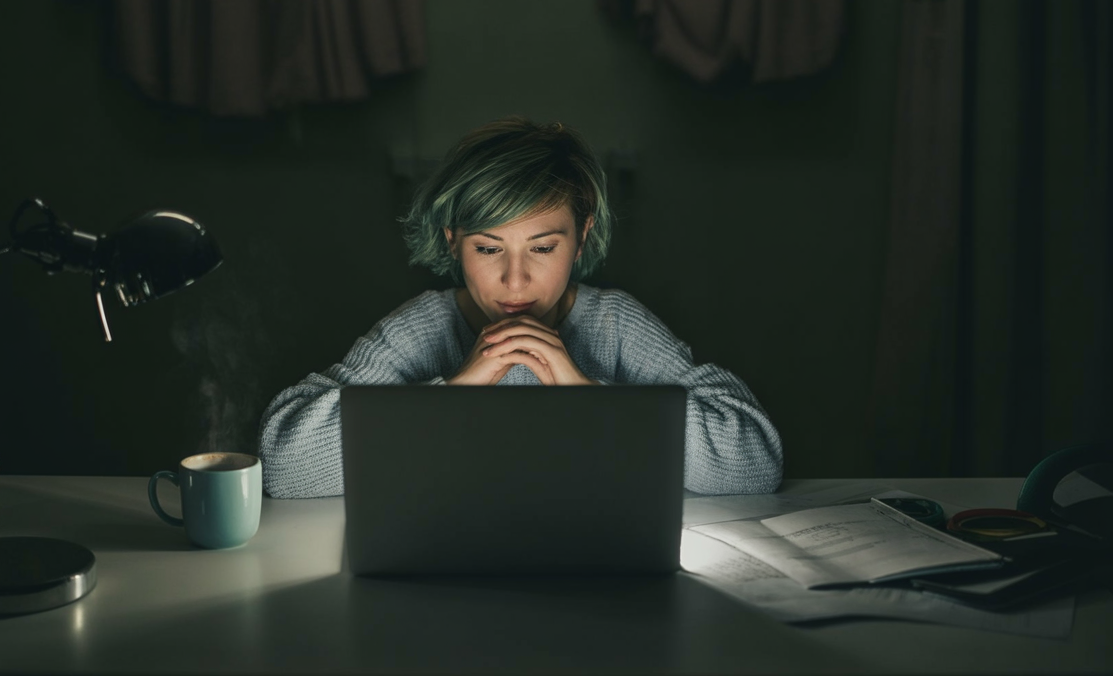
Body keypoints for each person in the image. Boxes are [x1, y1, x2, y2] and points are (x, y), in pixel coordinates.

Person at [259, 116, 783, 498]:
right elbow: (285, 466)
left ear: (581, 239)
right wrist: (455, 389)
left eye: (543, 248)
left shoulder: (616, 324)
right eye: (488, 249)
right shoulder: (422, 328)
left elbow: (755, 464)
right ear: (452, 242)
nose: (515, 280)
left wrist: (588, 394)